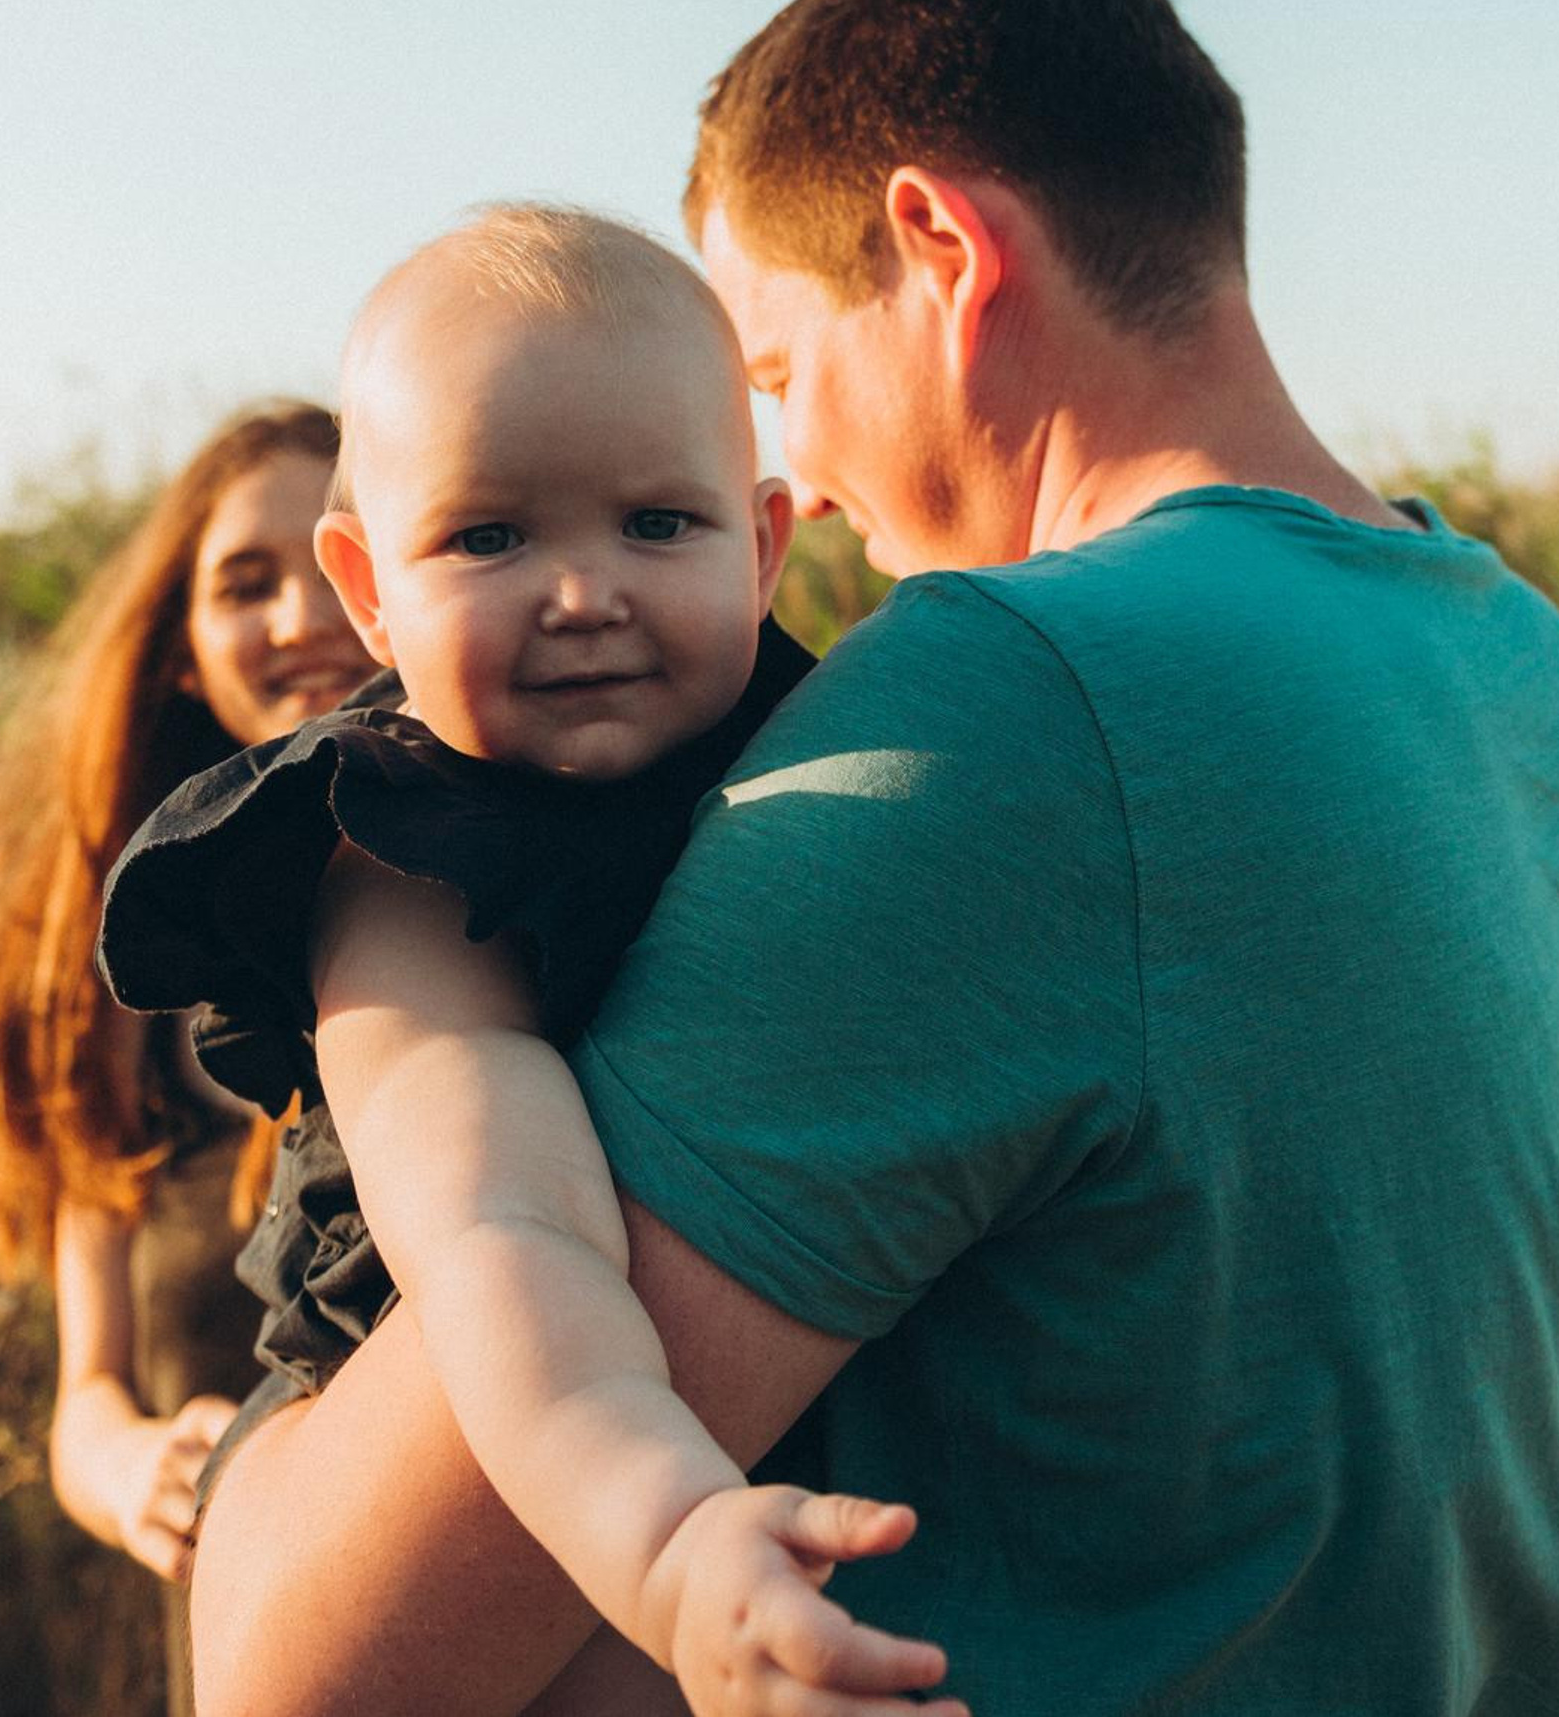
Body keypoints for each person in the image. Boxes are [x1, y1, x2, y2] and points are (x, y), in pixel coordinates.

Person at [185, 0, 1559, 1717]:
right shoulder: (1532, 661)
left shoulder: (1000, 700)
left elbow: (312, 1673)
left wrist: (241, 1495)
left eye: (777, 378)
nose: (812, 494)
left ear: (942, 249)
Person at [96, 211, 956, 1717]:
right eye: (489, 537)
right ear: (368, 591)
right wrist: (668, 1529)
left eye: (656, 524)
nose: (582, 591)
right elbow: (506, 1231)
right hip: (498, 1440)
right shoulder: (401, 859)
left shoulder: (810, 754)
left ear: (763, 546)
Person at [0, 401, 372, 1717]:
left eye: (334, 558)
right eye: (242, 583)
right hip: (247, 1636)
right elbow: (83, 1402)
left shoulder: (533, 905)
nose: (296, 616)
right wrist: (135, 1465)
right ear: (184, 657)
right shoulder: (120, 999)